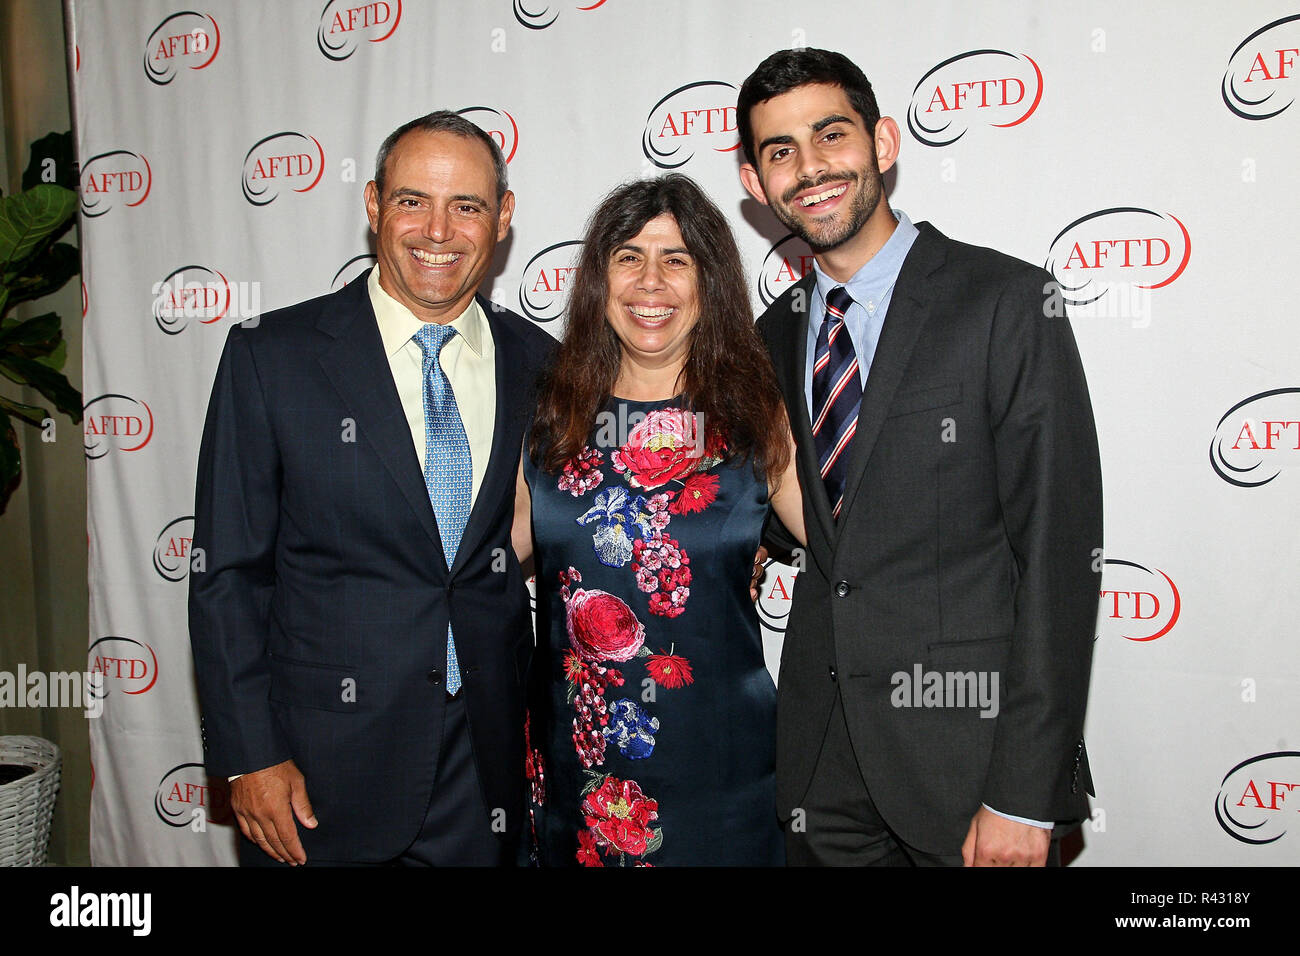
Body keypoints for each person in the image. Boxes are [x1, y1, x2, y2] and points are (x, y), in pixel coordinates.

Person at [736, 48, 1103, 866]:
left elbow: (1057, 558)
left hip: (967, 769)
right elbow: (823, 514)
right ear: (756, 184)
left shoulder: (1006, 301)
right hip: (819, 769)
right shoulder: (771, 335)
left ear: (884, 143)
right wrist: (753, 538)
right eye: (780, 151)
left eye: (831, 135)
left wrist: (1024, 793)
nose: (811, 168)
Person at [189, 111, 555, 866]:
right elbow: (227, 575)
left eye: (468, 206)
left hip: (484, 766)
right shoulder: (273, 357)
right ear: (372, 205)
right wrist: (249, 756)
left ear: (505, 217)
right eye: (413, 200)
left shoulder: (542, 363)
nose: (438, 230)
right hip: (317, 776)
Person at [513, 174, 805, 866]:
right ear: (598, 281)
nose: (652, 282)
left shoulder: (754, 420)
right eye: (629, 258)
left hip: (725, 773)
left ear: (710, 282)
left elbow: (857, 554)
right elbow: (470, 570)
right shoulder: (548, 421)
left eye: (676, 260)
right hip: (579, 773)